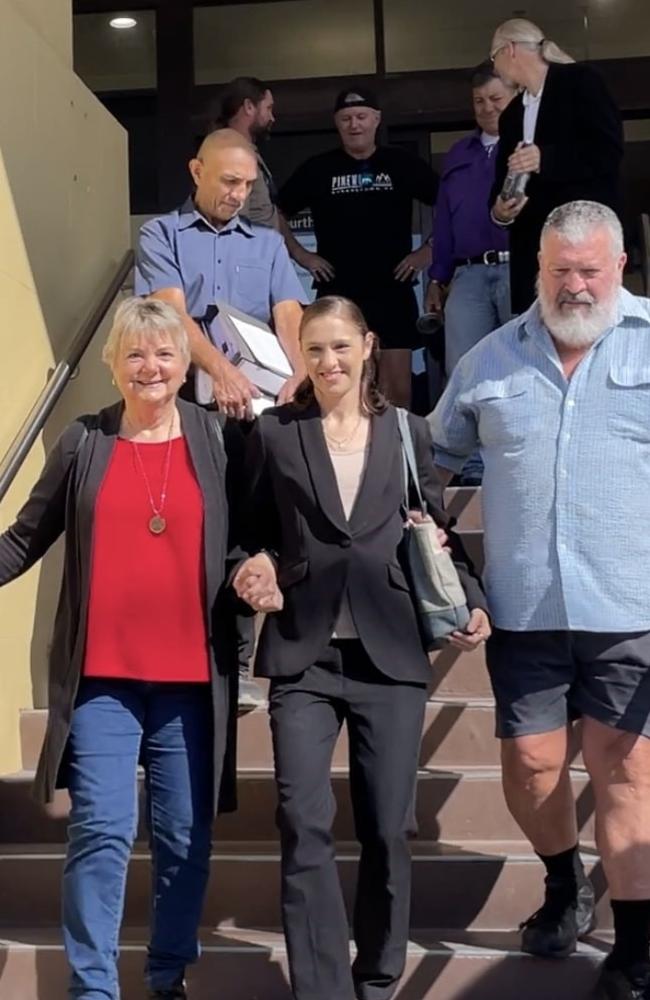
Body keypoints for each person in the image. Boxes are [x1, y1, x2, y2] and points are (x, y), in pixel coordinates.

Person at [232, 295, 490, 1000]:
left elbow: (438, 529)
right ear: (301, 358)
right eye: (314, 350)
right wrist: (250, 565)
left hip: (391, 655)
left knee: (387, 828)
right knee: (303, 822)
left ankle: (376, 981)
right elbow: (246, 530)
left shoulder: (407, 432)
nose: (328, 362)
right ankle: (320, 991)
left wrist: (470, 601)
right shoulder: (276, 434)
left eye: (340, 346)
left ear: (369, 345)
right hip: (303, 655)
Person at [429, 201, 650, 1000]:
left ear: (620, 266)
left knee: (626, 774)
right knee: (529, 766)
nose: (576, 285)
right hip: (524, 610)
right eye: (560, 271)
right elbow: (428, 463)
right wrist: (439, 563)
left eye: (590, 270)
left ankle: (635, 943)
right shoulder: (488, 360)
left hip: (631, 608)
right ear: (538, 272)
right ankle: (564, 885)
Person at [0, 297, 239, 1000]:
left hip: (191, 679)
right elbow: (23, 539)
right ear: (112, 364)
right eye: (135, 354)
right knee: (101, 832)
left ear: (184, 364)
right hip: (101, 679)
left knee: (184, 839)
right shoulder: (83, 442)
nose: (151, 367)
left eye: (166, 353)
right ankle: (93, 988)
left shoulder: (216, 438)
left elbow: (253, 531)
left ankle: (166, 976)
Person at [135, 128, 308, 421]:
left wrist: (303, 374)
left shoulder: (269, 243)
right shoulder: (160, 235)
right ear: (197, 171)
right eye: (230, 181)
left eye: (249, 185)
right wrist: (221, 370)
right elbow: (171, 313)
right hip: (186, 392)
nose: (240, 195)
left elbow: (289, 316)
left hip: (262, 393)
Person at [276, 86, 438, 396]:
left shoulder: (400, 163)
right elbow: (275, 212)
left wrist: (427, 251)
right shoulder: (318, 168)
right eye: (346, 118)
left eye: (361, 117)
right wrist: (301, 255)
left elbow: (450, 203)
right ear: (337, 123)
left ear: (376, 119)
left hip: (393, 288)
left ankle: (396, 446)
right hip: (339, 291)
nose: (355, 125)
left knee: (397, 391)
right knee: (342, 386)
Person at [488, 18, 623, 314]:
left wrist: (545, 159)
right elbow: (500, 180)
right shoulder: (510, 115)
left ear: (509, 49)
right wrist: (499, 210)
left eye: (493, 57)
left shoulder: (580, 81)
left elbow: (607, 150)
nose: (494, 68)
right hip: (532, 251)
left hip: (581, 239)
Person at [424, 60, 516, 484]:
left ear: (513, 97)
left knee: (522, 366)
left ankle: (517, 457)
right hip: (468, 274)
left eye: (495, 98)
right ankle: (471, 466)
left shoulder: (528, 145)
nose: (487, 107)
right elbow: (443, 220)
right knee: (466, 370)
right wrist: (437, 279)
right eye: (479, 101)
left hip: (520, 268)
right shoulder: (459, 153)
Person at [215, 75, 280, 229]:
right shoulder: (232, 156)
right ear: (249, 107)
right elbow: (233, 227)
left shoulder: (247, 152)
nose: (272, 117)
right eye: (268, 108)